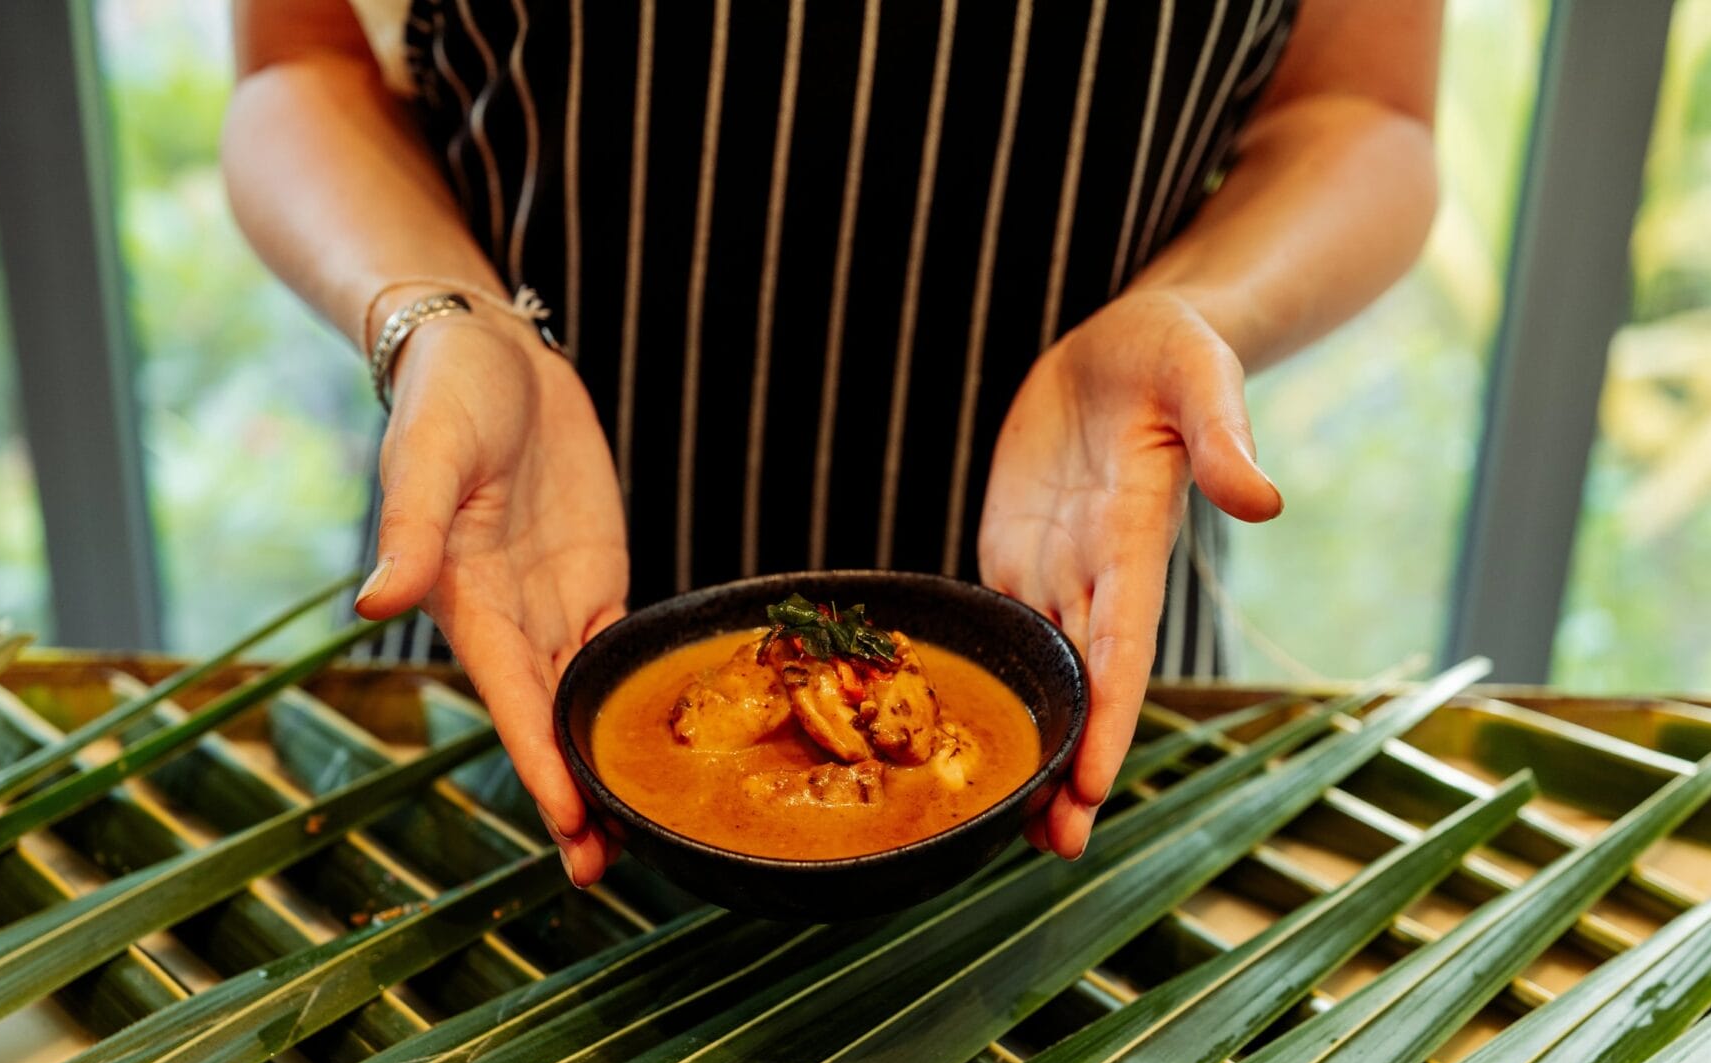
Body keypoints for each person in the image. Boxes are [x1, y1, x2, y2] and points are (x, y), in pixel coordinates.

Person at [224, 0, 1441, 886]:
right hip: (523, 595)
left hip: (1080, 606)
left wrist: (1197, 308)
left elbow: (1360, 109)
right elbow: (303, 64)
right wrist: (435, 317)